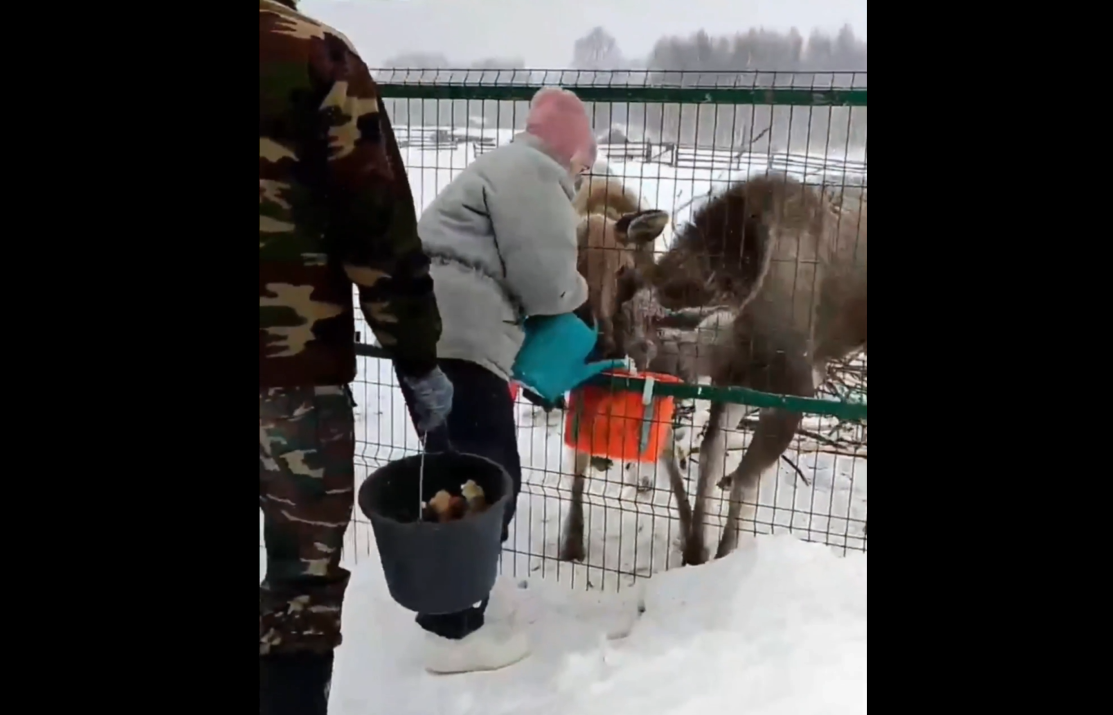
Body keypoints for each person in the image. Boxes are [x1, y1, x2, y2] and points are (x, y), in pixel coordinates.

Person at [259, 1, 453, 713]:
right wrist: (416, 358)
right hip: (292, 379)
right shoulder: (313, 58)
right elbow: (377, 227)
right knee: (301, 587)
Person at [401, 86, 598, 675]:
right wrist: (584, 302)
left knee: (452, 467)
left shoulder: (503, 165)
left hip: (429, 328)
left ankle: (448, 607)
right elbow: (548, 284)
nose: (585, 172)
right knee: (487, 476)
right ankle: (453, 632)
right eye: (586, 160)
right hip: (462, 336)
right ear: (572, 149)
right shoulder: (537, 175)